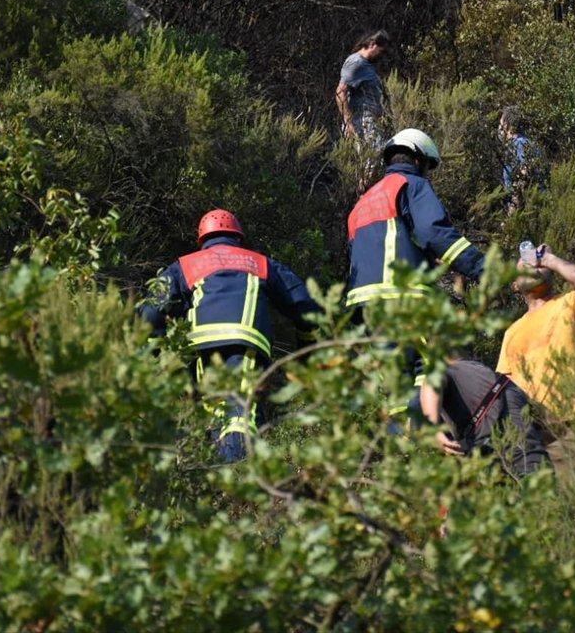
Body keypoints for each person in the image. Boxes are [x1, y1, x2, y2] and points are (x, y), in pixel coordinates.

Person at [140, 209, 320, 462]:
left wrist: (150, 351)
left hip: (201, 348)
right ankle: (235, 480)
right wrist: (309, 345)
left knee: (215, 411)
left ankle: (214, 481)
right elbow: (303, 304)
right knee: (239, 412)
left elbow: (150, 312)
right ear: (238, 237)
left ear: (202, 239)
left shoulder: (185, 265)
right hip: (243, 343)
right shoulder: (260, 262)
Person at [346, 128, 486, 419]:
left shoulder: (363, 201)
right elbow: (436, 233)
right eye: (428, 167)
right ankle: (428, 446)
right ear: (419, 160)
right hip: (401, 297)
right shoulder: (412, 184)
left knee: (397, 383)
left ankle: (402, 451)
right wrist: (485, 270)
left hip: (364, 306)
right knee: (428, 367)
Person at [497, 243, 575, 479]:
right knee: (542, 508)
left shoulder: (569, 304)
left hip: (571, 423)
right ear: (515, 285)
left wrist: (550, 259)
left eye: (535, 261)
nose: (531, 264)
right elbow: (505, 384)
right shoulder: (512, 331)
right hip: (530, 436)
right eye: (523, 264)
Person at [420, 357, 551, 477]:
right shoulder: (475, 371)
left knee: (529, 470)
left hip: (498, 416)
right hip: (504, 409)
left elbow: (431, 381)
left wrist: (432, 428)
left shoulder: (446, 369)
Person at [335, 30, 391, 149]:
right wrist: (348, 122)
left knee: (375, 159)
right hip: (361, 121)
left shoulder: (367, 65)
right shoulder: (356, 62)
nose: (382, 55)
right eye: (381, 51)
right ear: (372, 45)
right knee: (371, 160)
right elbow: (341, 92)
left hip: (371, 121)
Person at [498, 106, 540, 204]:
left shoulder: (519, 144)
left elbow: (525, 172)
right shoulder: (523, 142)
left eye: (501, 124)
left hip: (527, 205)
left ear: (506, 124)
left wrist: (515, 204)